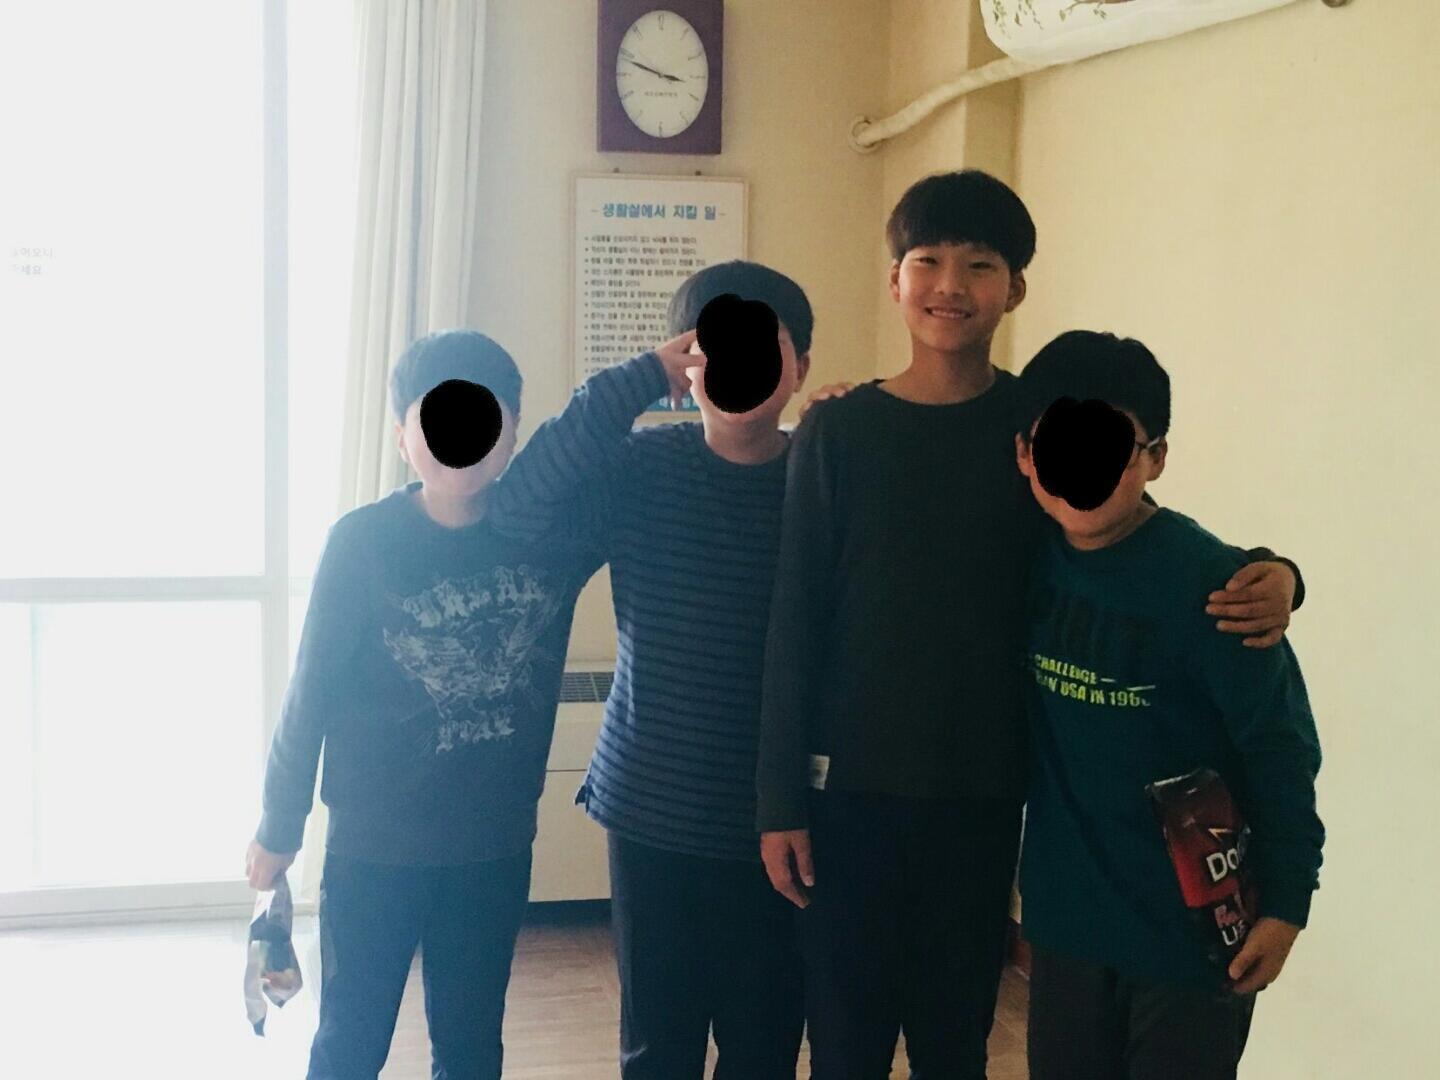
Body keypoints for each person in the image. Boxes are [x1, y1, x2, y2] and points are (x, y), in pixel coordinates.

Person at [756, 170, 1302, 1079]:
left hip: (986, 795)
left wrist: (1280, 574)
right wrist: (778, 798)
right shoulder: (838, 433)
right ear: (894, 280)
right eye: (928, 262)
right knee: (845, 1039)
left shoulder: (1036, 423)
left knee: (954, 1039)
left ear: (1014, 289)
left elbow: (1130, 536)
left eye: (980, 265)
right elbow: (795, 619)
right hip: (847, 793)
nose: (950, 286)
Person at [244, 330, 604, 1080]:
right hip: (372, 848)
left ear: (512, 431)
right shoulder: (362, 543)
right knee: (351, 1040)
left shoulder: (553, 538)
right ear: (401, 434)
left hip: (491, 849)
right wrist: (280, 826)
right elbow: (310, 691)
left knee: (470, 1046)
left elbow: (599, 442)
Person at [491, 261, 815, 1078]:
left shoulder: (822, 478)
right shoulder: (641, 468)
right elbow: (518, 508)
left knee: (764, 1047)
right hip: (651, 810)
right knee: (656, 1047)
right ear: (686, 363)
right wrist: (634, 381)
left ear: (800, 366)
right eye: (716, 346)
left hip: (781, 816)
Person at [1014, 329, 1324, 1080]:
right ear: (1025, 453)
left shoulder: (1217, 588)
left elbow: (1281, 749)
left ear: (1155, 457)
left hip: (1193, 936)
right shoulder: (1020, 552)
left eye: (1110, 447)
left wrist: (1288, 905)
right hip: (1067, 923)